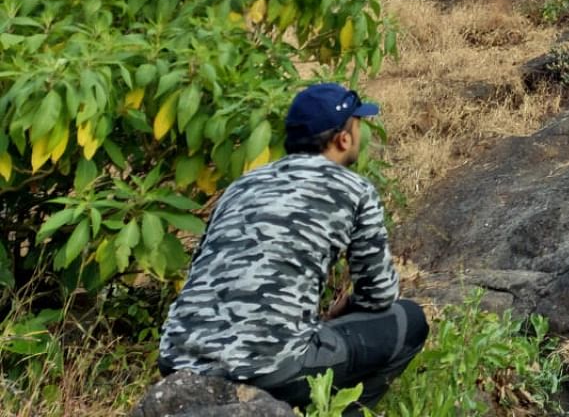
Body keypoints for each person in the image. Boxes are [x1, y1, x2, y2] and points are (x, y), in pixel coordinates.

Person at [158, 83, 426, 413]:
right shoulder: (354, 189)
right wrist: (348, 306)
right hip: (268, 368)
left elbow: (204, 269)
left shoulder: (241, 186)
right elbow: (380, 295)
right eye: (357, 125)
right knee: (410, 321)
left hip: (176, 358)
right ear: (343, 138)